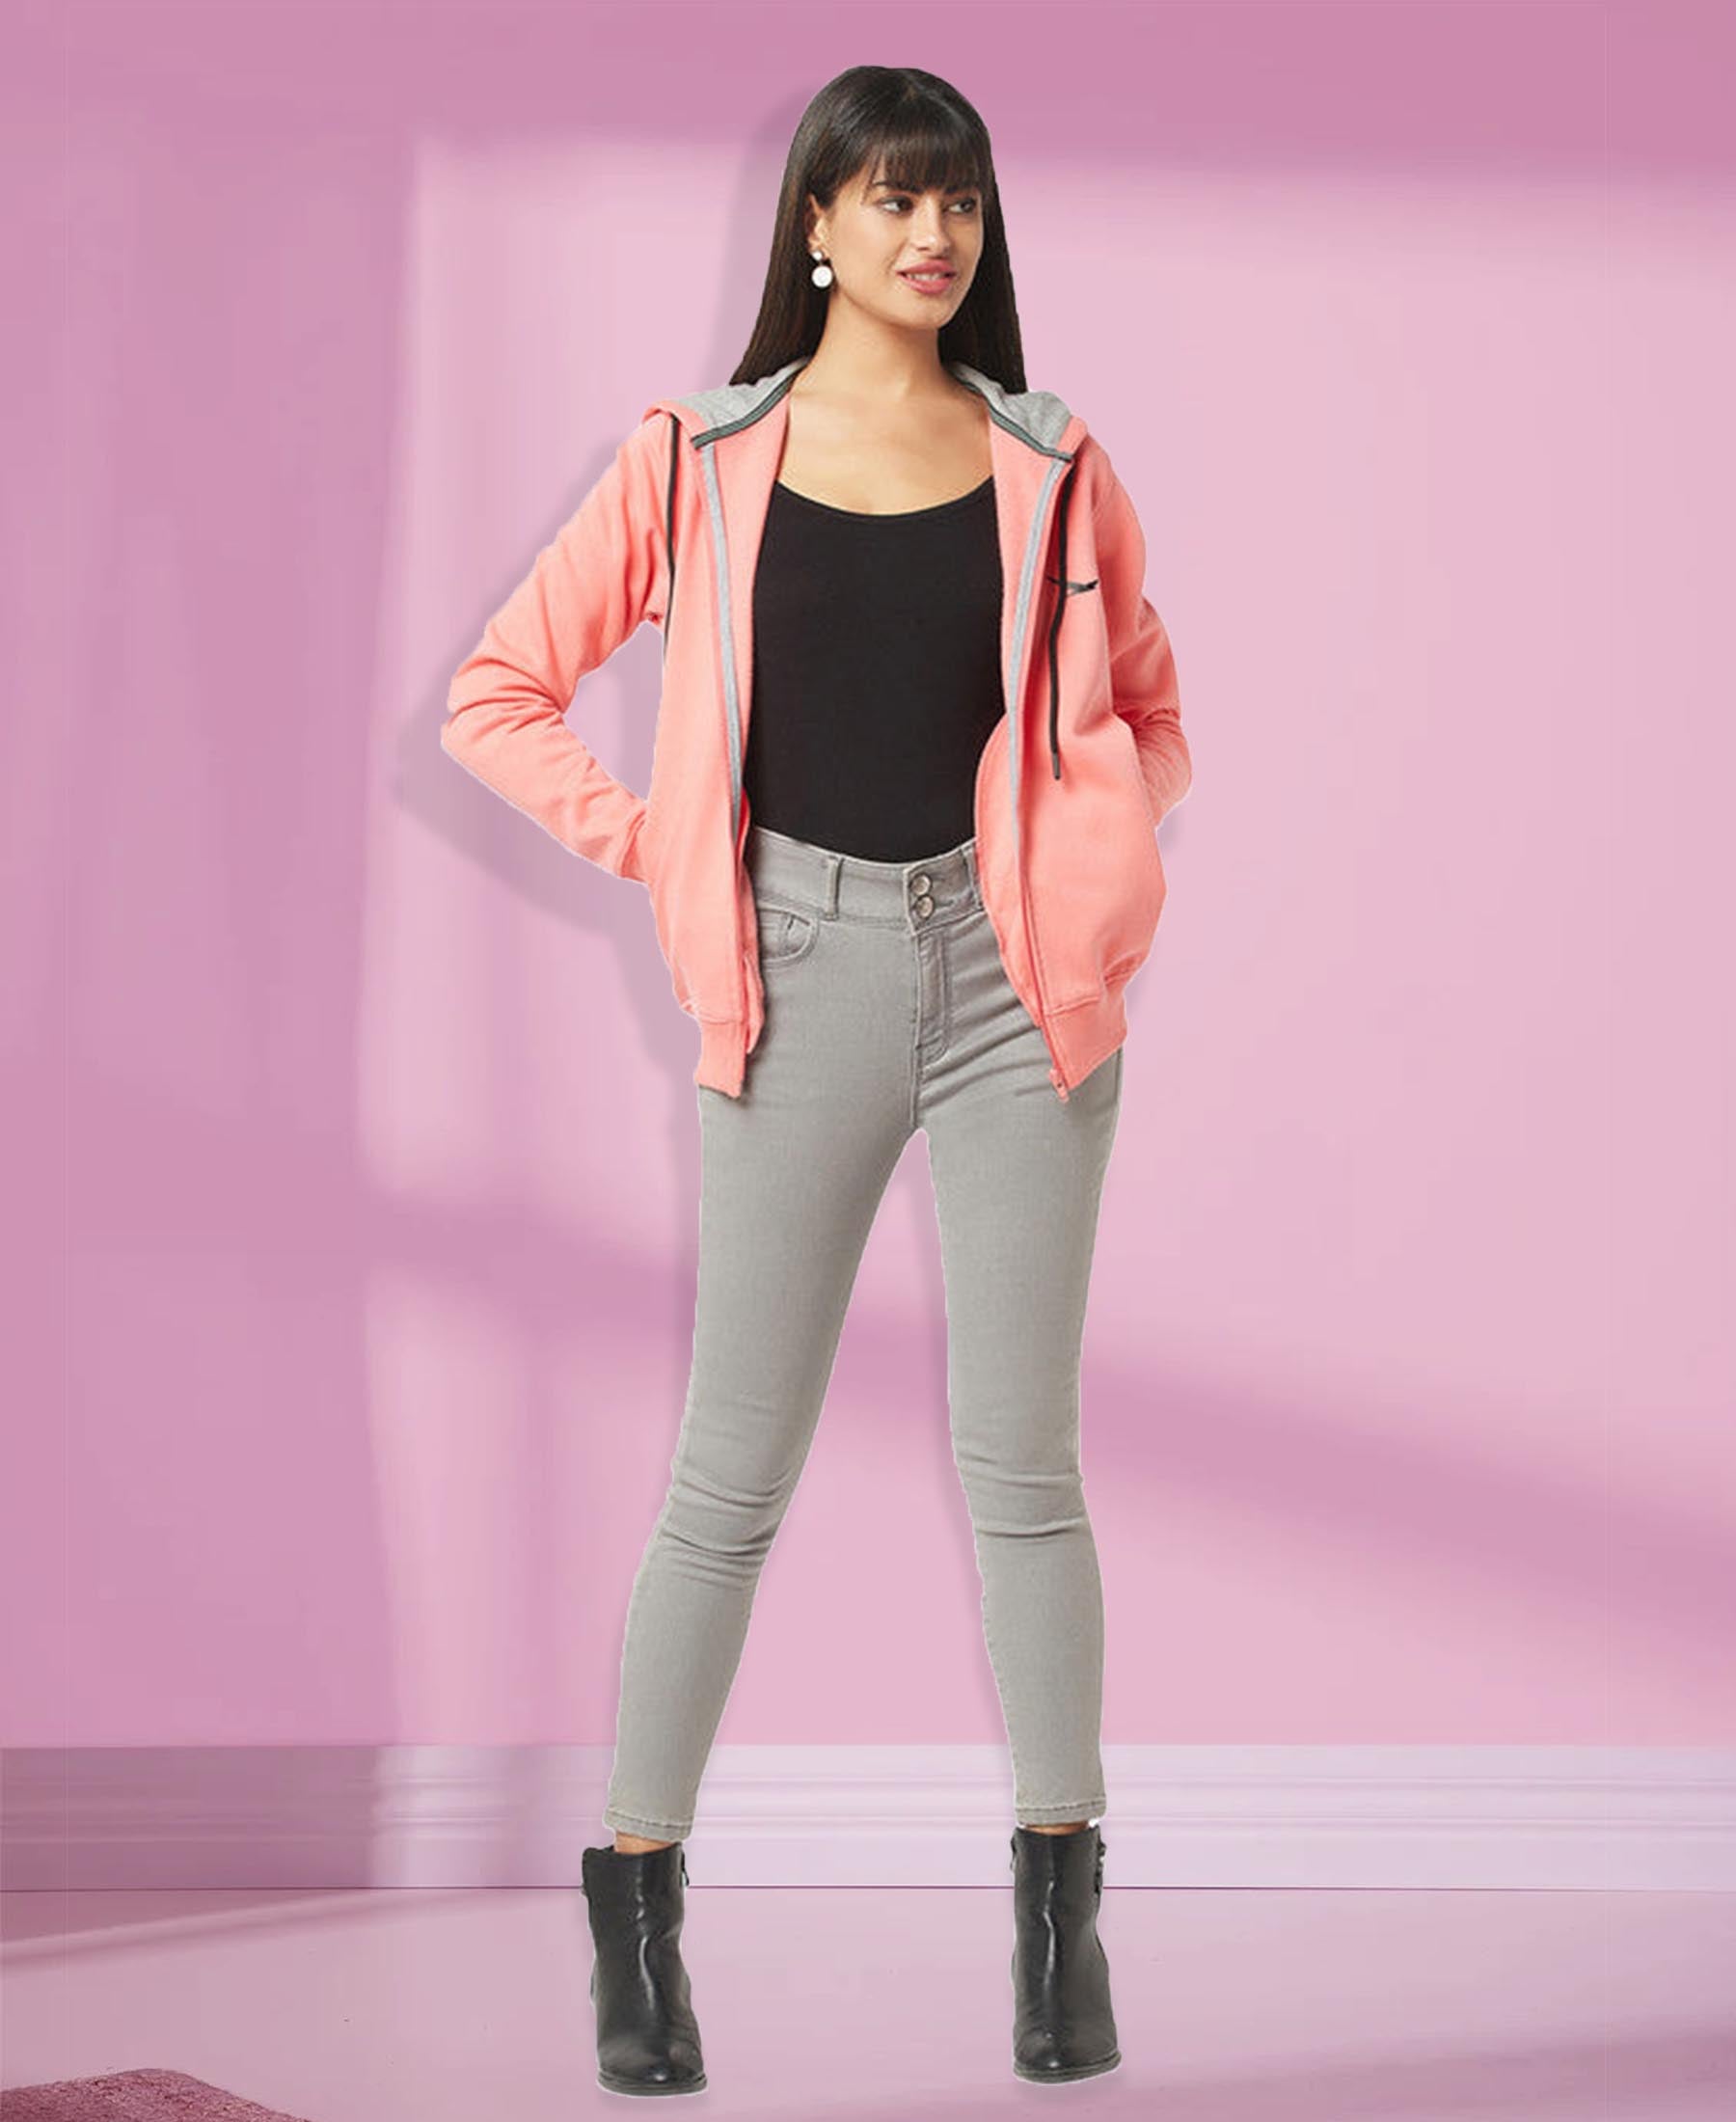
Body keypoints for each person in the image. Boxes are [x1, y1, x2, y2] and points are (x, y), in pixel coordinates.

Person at [443, 64, 1190, 2098]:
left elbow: (1149, 712)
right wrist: (666, 848)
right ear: (818, 228)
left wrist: (1092, 865)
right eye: (892, 198)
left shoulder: (1051, 460)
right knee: (728, 1477)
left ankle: (1060, 1916)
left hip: (1019, 991)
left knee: (1021, 1469)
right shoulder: (697, 457)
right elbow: (500, 692)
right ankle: (637, 1906)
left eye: (959, 202)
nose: (932, 235)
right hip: (795, 973)